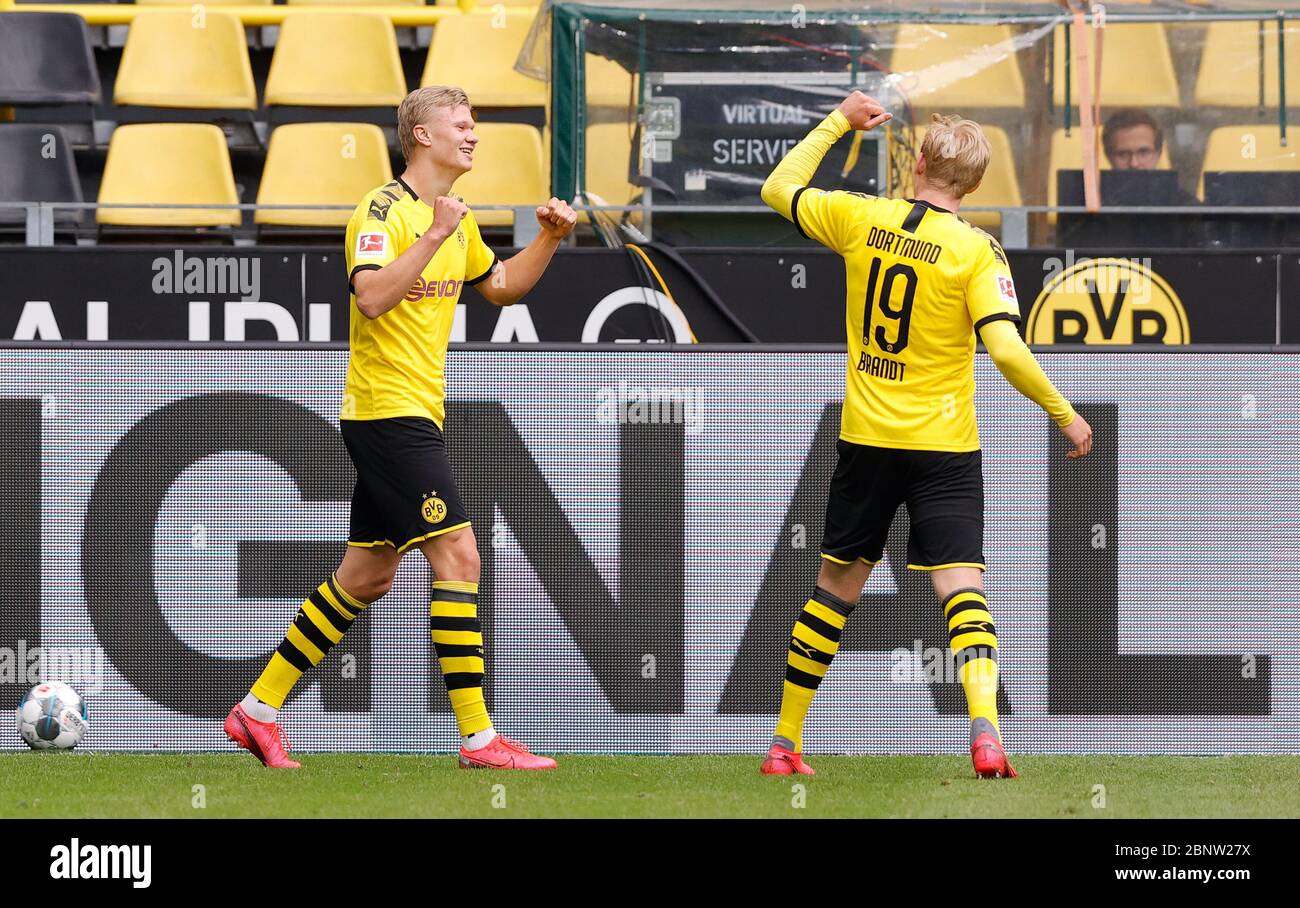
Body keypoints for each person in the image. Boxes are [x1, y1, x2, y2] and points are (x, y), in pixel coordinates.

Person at [224, 86, 577, 770]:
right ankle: (479, 740)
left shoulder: (454, 216)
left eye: (475, 125)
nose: (474, 135)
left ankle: (257, 711)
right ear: (422, 135)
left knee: (367, 575)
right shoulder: (381, 210)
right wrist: (437, 233)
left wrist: (550, 240)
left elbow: (502, 286)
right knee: (462, 558)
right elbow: (373, 295)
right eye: (463, 125)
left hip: (412, 415)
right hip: (387, 414)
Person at [759, 92, 1093, 778]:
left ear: (917, 168)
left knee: (833, 591)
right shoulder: (976, 250)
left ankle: (785, 744)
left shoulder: (861, 217)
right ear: (971, 184)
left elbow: (778, 187)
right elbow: (1004, 350)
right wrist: (1064, 412)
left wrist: (839, 123)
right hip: (943, 448)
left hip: (867, 440)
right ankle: (987, 731)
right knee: (962, 589)